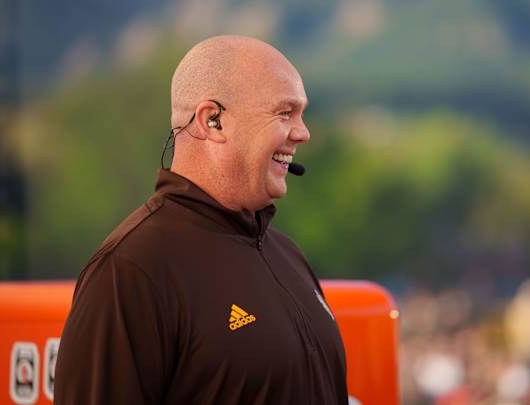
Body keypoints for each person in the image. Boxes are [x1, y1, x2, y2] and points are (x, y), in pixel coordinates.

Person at [54, 35, 348, 404]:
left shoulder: (287, 254)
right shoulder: (131, 268)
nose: (303, 133)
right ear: (213, 120)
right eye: (284, 113)